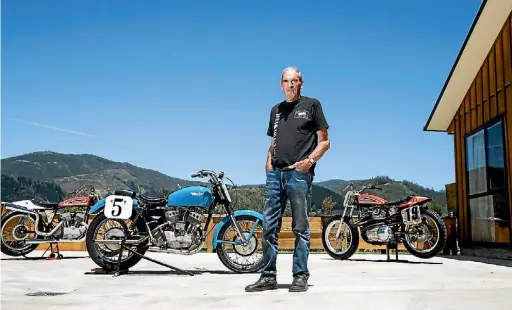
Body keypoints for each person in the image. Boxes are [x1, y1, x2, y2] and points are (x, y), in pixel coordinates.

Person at [245, 67, 330, 293]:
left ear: (301, 83)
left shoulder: (312, 105)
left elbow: (325, 142)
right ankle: (268, 277)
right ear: (281, 84)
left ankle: (300, 276)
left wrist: (309, 162)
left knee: (300, 228)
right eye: (286, 81)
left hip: (299, 175)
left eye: (294, 81)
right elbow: (274, 140)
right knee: (269, 226)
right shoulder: (276, 110)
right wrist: (268, 161)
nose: (290, 85)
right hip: (275, 174)